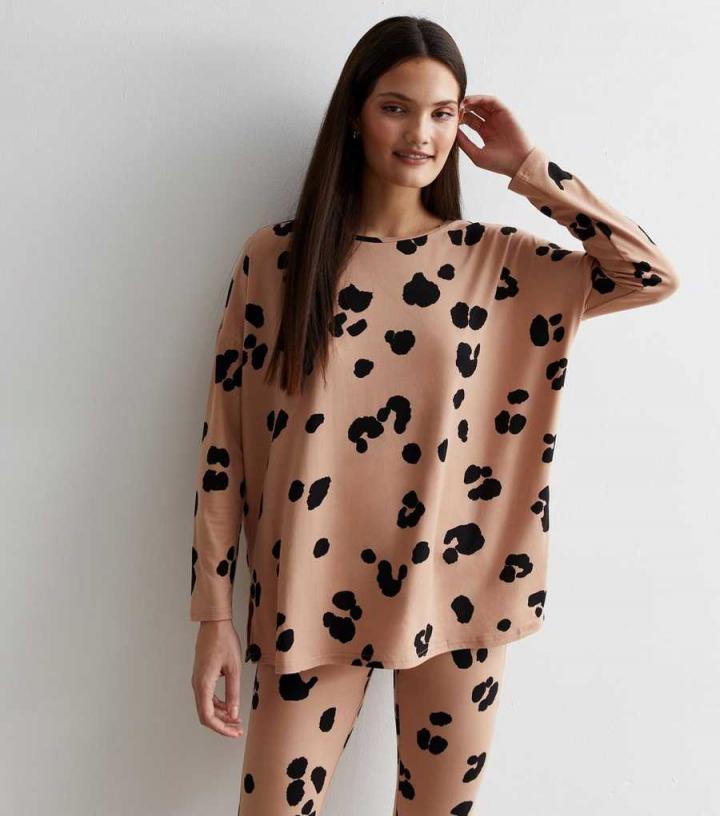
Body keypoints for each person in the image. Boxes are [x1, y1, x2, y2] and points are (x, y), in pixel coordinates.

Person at [189, 15, 679, 815]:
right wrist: (213, 612)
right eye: (397, 108)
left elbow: (648, 274)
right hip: (308, 587)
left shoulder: (498, 261)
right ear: (355, 115)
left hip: (458, 593)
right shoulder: (278, 259)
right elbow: (224, 450)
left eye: (442, 113)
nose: (422, 133)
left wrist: (527, 167)